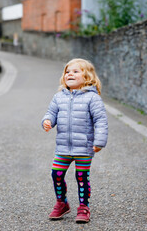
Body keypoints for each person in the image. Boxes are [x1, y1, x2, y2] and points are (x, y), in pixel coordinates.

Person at [42, 58, 108, 223]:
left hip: (84, 148)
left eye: (75, 71)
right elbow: (51, 113)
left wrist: (99, 142)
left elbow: (100, 120)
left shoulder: (92, 98)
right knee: (56, 174)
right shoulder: (59, 97)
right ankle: (62, 203)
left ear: (87, 77)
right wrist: (47, 121)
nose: (70, 74)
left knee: (81, 176)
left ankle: (83, 207)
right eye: (67, 71)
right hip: (63, 147)